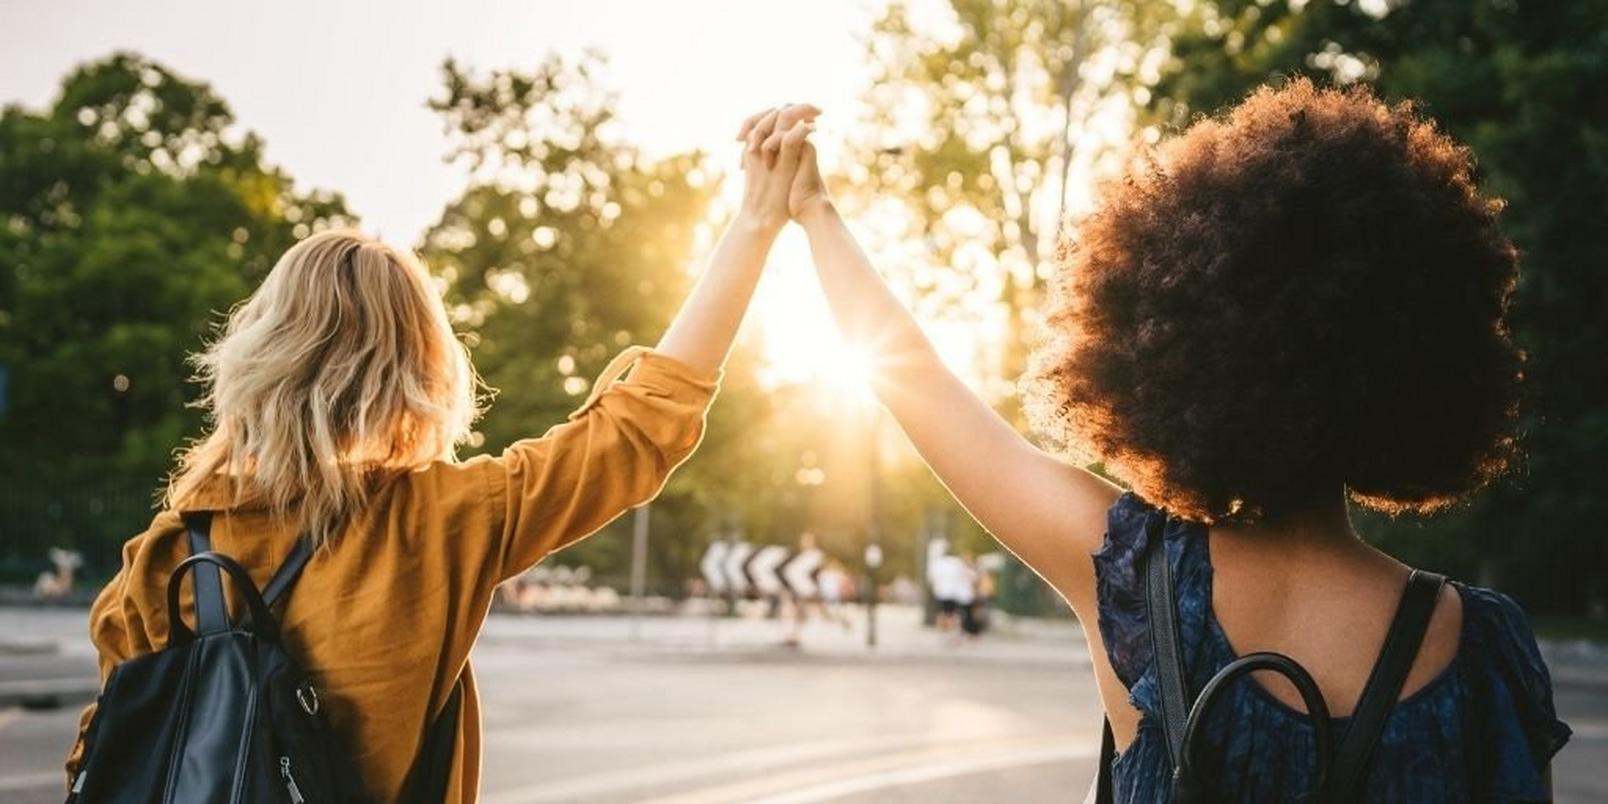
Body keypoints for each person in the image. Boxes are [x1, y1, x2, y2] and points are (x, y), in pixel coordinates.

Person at [766, 78, 1570, 800]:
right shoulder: (1481, 645)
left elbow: (922, 391)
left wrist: (816, 215)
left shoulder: (1134, 571)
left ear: (1171, 352)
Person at [65, 106, 821, 801]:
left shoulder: (163, 557)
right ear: (419, 370)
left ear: (260, 353)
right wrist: (754, 223)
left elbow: (103, 757)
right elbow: (634, 427)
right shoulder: (441, 523)